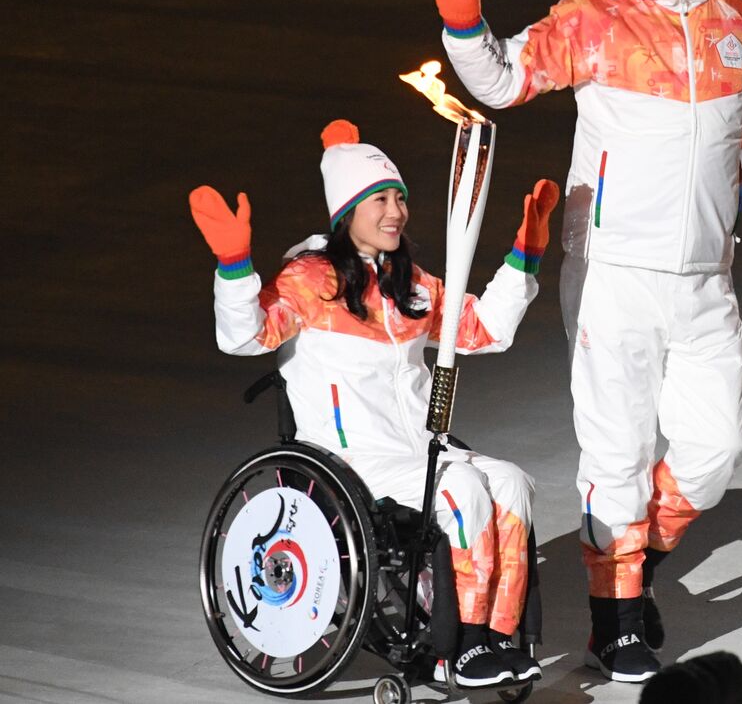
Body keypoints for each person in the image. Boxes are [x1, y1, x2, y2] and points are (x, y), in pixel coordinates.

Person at [424, 0, 742, 682]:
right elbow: (500, 81)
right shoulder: (594, 16)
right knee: (619, 449)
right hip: (614, 271)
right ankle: (615, 621)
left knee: (715, 448)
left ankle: (630, 573)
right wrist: (463, 23)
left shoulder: (740, 18)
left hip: (706, 276)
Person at [189, 119, 559, 688]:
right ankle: (454, 643)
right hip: (353, 460)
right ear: (347, 211)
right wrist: (236, 269)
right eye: (379, 199)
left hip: (419, 450)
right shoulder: (310, 282)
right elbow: (243, 335)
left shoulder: (412, 286)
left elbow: (483, 329)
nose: (395, 211)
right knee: (462, 493)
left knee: (510, 481)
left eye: (400, 198)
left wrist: (523, 258)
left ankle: (493, 637)